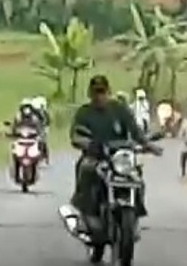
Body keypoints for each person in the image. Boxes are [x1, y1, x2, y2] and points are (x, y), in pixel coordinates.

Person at [69, 75, 162, 228]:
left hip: (119, 157)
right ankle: (86, 214)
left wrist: (148, 145)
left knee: (136, 176)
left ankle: (135, 212)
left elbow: (136, 132)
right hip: (95, 156)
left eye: (102, 92)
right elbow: (76, 135)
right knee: (85, 169)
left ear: (108, 92)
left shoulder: (120, 110)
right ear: (90, 93)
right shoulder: (84, 112)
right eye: (96, 92)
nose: (99, 96)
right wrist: (86, 143)